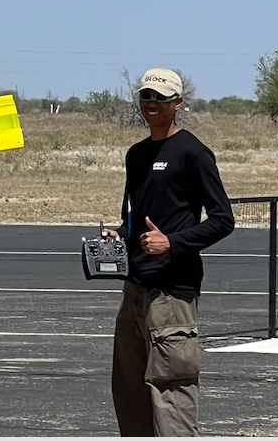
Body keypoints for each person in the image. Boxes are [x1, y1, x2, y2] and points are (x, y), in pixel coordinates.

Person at [102, 67, 235, 436]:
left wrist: (172, 243)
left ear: (178, 102)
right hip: (135, 289)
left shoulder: (193, 153)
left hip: (172, 294)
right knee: (129, 394)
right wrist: (120, 233)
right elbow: (137, 217)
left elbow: (223, 220)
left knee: (171, 394)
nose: (152, 104)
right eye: (146, 96)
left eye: (160, 98)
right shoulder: (137, 154)